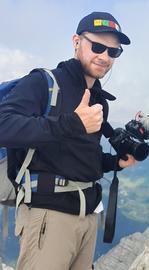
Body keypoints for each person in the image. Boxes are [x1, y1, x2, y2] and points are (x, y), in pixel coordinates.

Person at [0, 12, 135, 270]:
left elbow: (80, 154)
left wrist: (113, 162)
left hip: (88, 217)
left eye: (113, 52)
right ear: (76, 41)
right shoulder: (43, 83)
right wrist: (72, 123)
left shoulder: (98, 100)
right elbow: (3, 125)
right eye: (97, 46)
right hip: (48, 217)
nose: (105, 56)